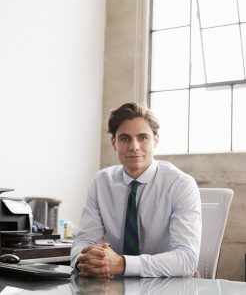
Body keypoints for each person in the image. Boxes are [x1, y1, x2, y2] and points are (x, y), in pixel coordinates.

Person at [71, 102, 201, 277]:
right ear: (114, 143)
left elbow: (187, 260)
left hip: (168, 286)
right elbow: (84, 240)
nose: (134, 146)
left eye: (142, 137)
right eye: (125, 138)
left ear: (156, 140)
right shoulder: (101, 183)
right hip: (115, 286)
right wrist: (85, 261)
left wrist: (122, 264)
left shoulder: (181, 184)